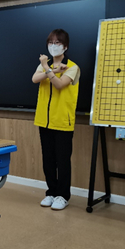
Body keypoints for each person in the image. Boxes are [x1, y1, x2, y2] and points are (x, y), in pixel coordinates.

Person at [32, 29, 80, 211]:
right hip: (44, 120)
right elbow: (34, 79)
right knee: (48, 159)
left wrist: (46, 68)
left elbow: (59, 84)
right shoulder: (47, 66)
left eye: (57, 43)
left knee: (63, 160)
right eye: (51, 42)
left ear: (65, 46)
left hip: (62, 121)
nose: (53, 46)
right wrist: (50, 69)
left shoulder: (73, 67)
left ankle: (63, 195)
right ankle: (51, 192)